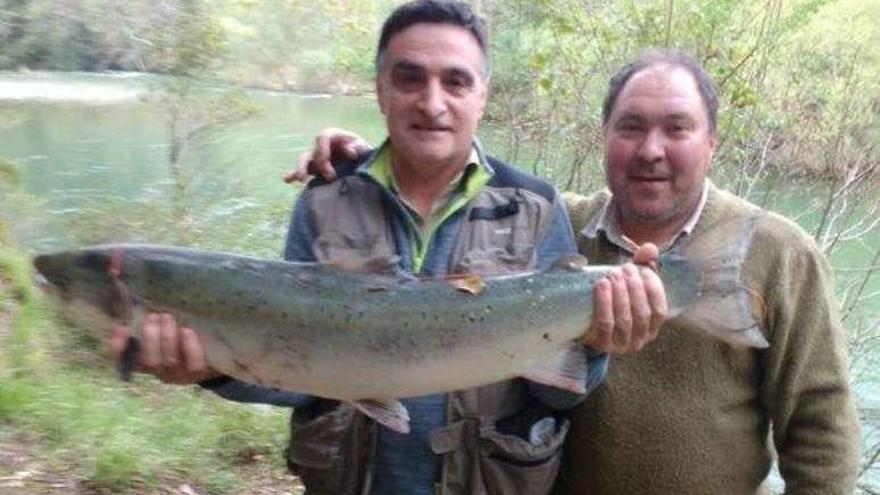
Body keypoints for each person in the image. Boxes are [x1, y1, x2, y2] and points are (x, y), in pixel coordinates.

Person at [109, 2, 667, 494]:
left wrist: (597, 347)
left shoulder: (536, 205)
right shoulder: (324, 202)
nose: (432, 102)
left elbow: (561, 394)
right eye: (409, 79)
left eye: (455, 81)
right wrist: (214, 369)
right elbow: (300, 374)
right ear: (379, 90)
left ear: (482, 96)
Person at [292, 50, 862, 493]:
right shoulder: (553, 224)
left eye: (678, 128)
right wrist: (367, 163)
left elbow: (821, 428)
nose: (651, 150)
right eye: (631, 127)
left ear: (711, 142)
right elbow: (453, 194)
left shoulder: (780, 252)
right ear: (605, 137)